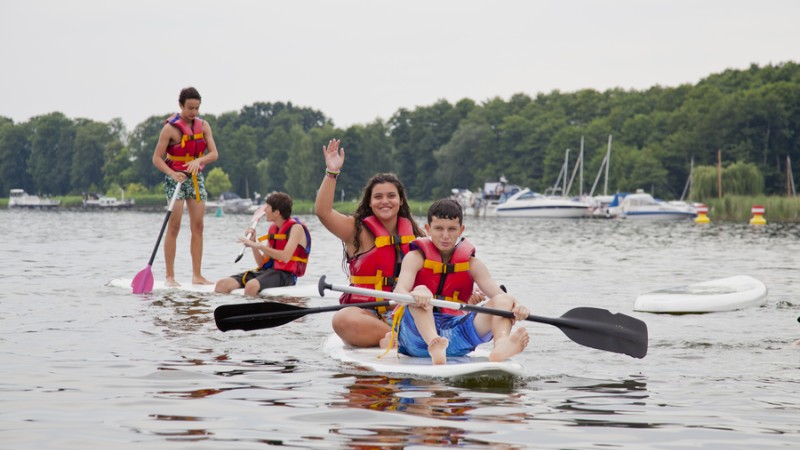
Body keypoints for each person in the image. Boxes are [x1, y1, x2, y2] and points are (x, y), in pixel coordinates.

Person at [389, 198, 530, 364]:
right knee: (419, 290)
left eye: (452, 229)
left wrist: (517, 306)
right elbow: (399, 292)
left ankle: (501, 344)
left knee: (504, 300)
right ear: (428, 229)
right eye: (439, 229)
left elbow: (501, 298)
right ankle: (434, 342)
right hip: (416, 337)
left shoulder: (473, 265)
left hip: (455, 336)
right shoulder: (415, 258)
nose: (445, 236)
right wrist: (417, 294)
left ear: (461, 230)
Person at [315, 139, 426, 347]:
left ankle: (405, 337)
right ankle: (401, 339)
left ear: (401, 200)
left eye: (391, 196)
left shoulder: (416, 236)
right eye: (378, 197)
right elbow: (323, 212)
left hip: (407, 313)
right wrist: (332, 172)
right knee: (342, 319)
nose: (385, 201)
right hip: (368, 315)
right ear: (370, 202)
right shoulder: (356, 231)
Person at [152, 86, 219, 287]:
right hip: (176, 179)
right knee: (174, 226)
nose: (194, 112)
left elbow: (214, 154)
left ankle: (197, 275)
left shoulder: (204, 126)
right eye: (190, 108)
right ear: (181, 105)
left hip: (195, 179)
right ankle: (170, 276)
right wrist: (172, 173)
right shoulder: (169, 129)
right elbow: (157, 158)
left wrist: (199, 161)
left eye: (197, 108)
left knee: (198, 226)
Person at [215, 192, 311, 297]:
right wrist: (253, 243)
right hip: (268, 271)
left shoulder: (296, 228)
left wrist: (259, 246)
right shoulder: (273, 229)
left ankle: (252, 306)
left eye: (268, 207)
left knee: (251, 286)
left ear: (276, 213)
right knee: (222, 285)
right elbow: (261, 263)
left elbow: (285, 257)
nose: (264, 210)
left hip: (286, 276)